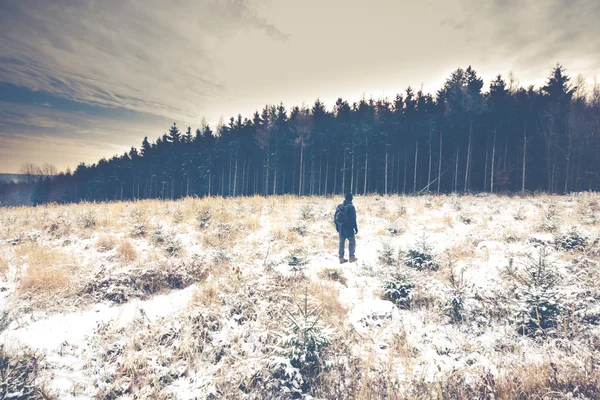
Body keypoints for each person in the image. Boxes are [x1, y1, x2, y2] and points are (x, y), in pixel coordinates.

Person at [335, 193, 358, 264]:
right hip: (349, 228)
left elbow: (335, 218)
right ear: (351, 199)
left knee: (341, 243)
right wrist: (355, 228)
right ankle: (351, 257)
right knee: (352, 242)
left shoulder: (340, 206)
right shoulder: (351, 207)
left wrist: (337, 227)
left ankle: (341, 258)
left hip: (341, 228)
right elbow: (353, 219)